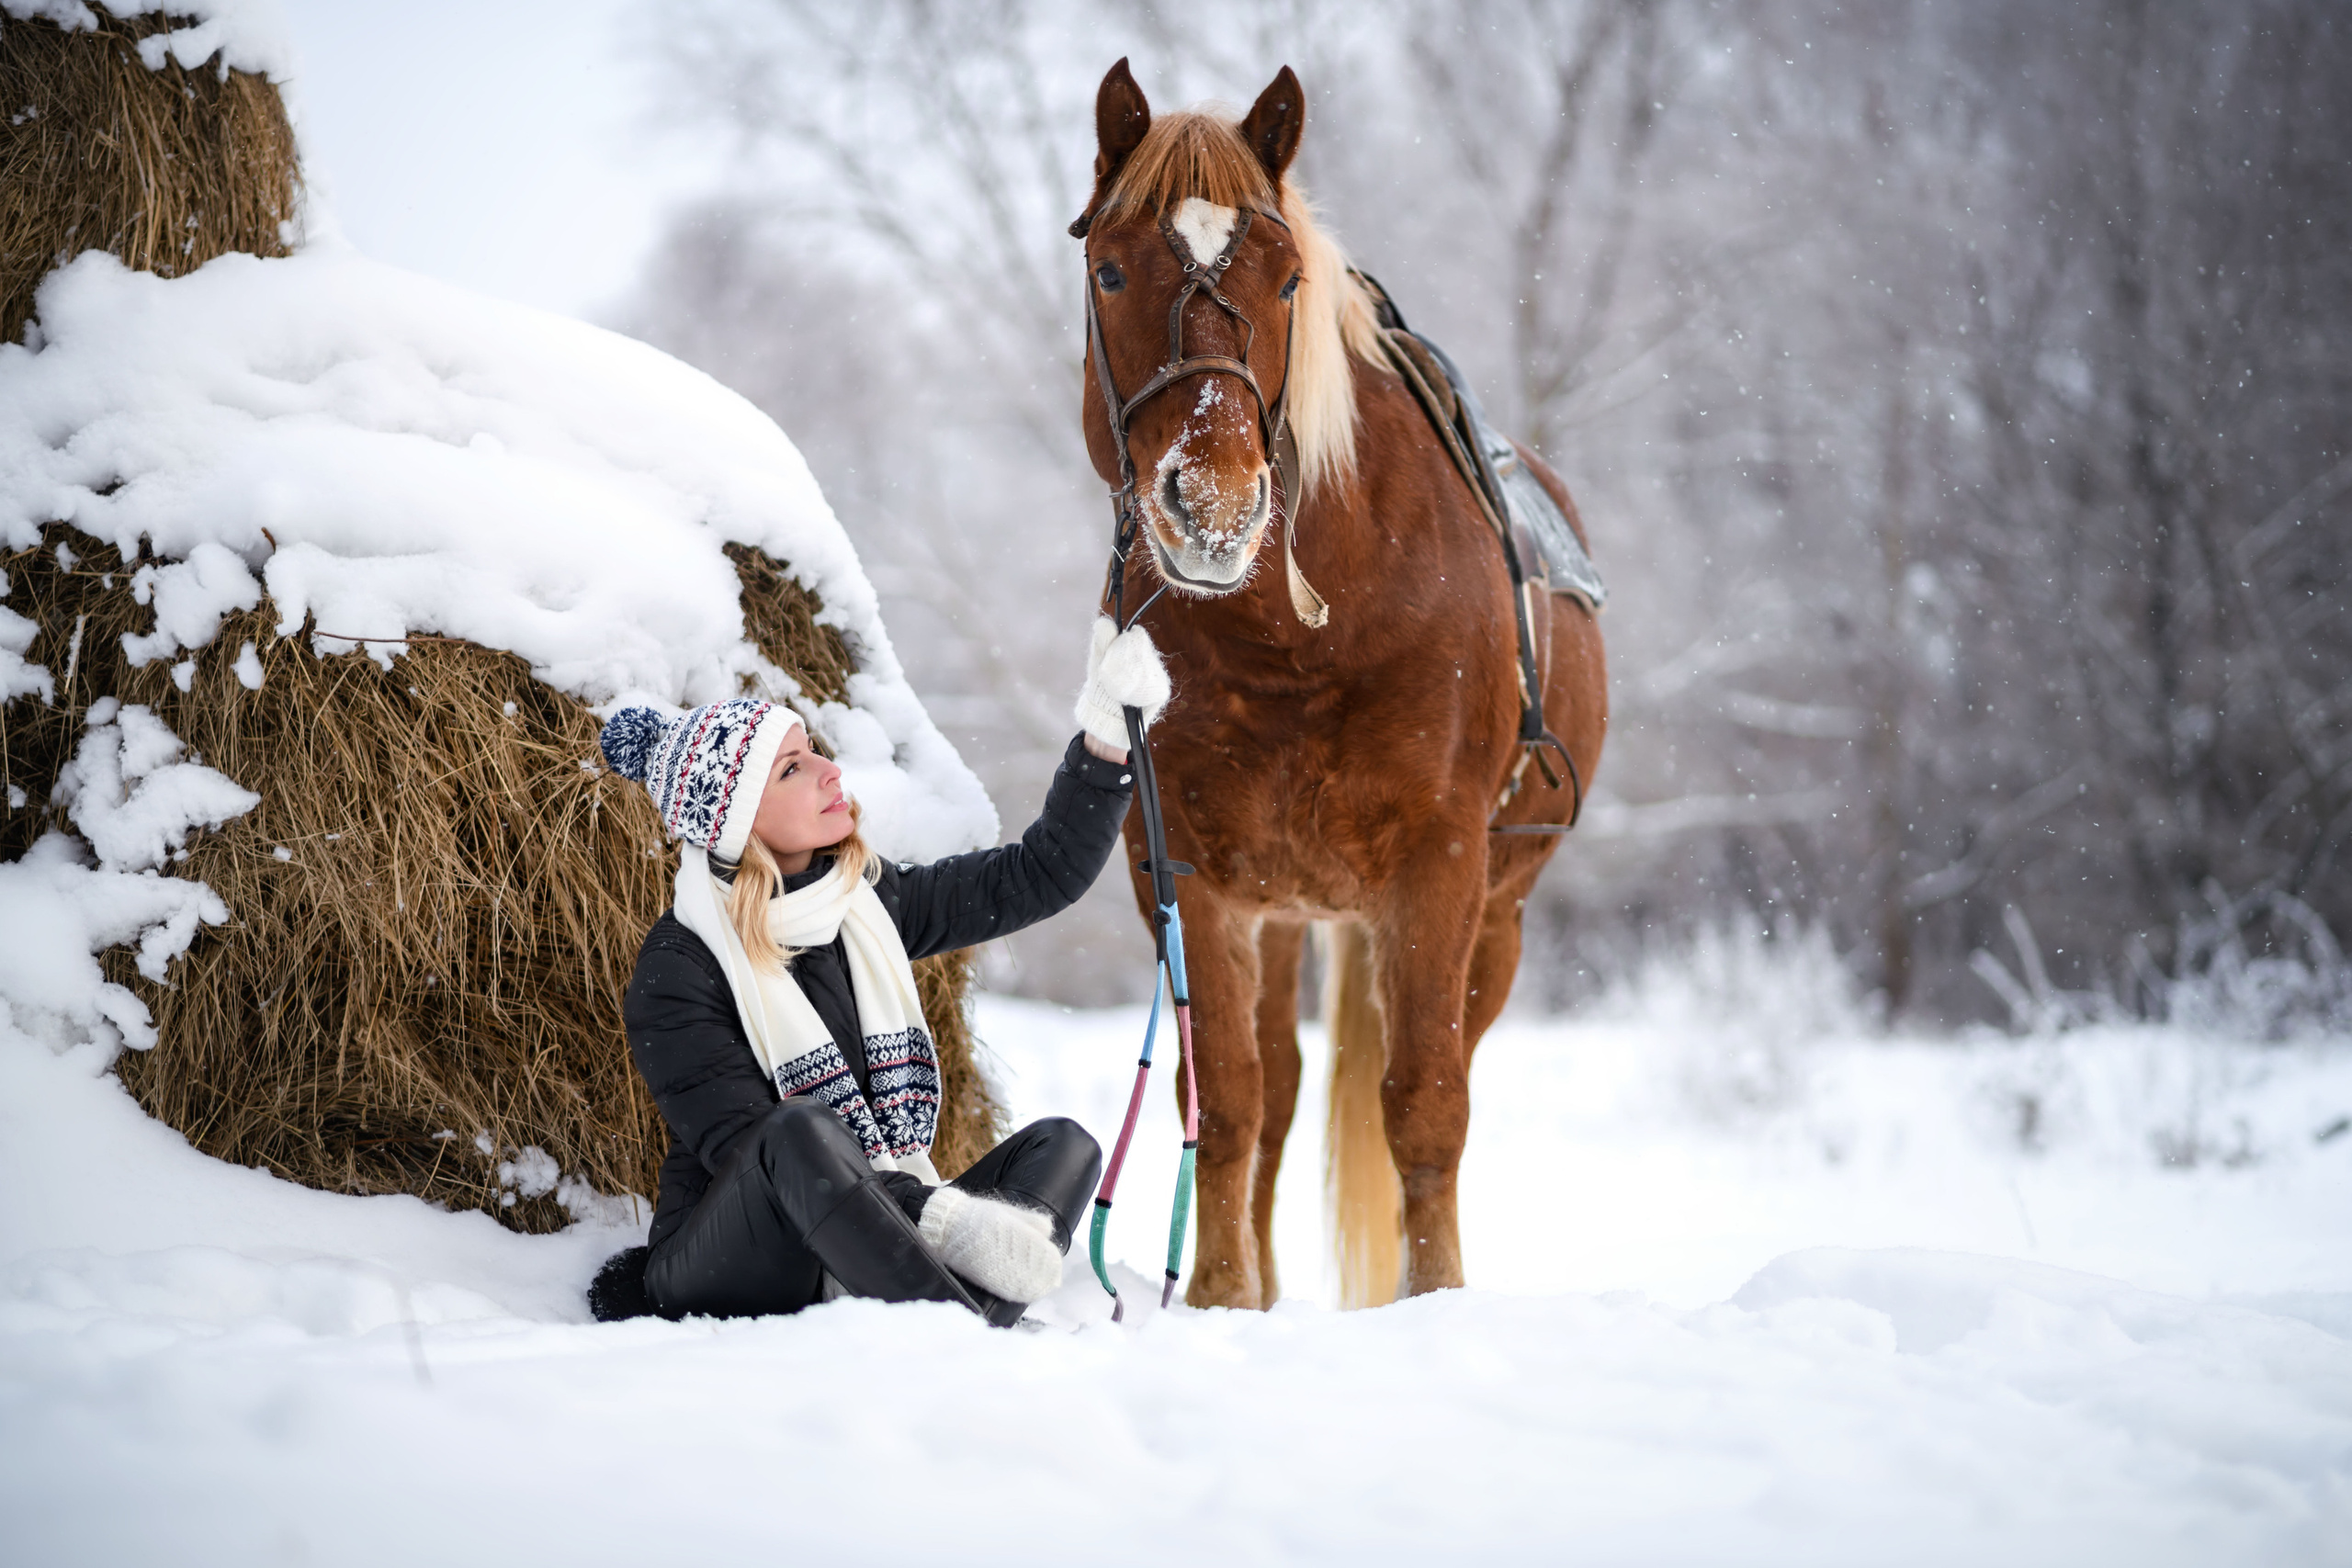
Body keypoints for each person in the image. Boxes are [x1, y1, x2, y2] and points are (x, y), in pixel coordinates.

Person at [587, 617, 1171, 1326]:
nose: (830, 770)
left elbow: (1038, 875)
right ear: (737, 819)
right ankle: (968, 1329)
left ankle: (948, 1310)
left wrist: (1107, 739)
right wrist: (937, 1214)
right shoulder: (680, 967)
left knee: (1065, 1147)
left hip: (872, 1226)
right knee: (796, 1131)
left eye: (814, 750)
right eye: (792, 769)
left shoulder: (864, 903)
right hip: (732, 1264)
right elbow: (752, 1150)